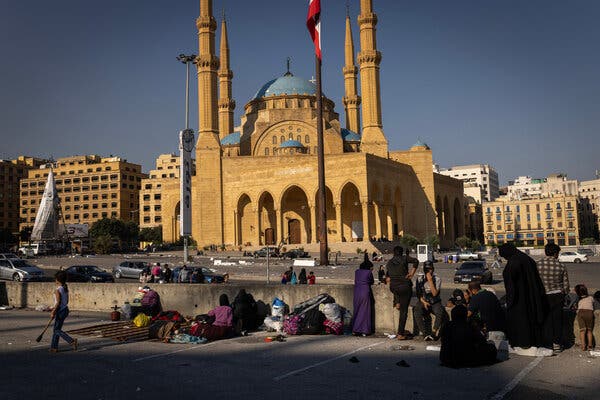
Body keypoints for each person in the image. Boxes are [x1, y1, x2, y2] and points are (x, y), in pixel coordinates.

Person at [500, 242, 550, 352]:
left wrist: (509, 301)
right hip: (533, 296)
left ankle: (523, 343)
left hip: (519, 300)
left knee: (522, 321)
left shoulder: (514, 262)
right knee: (532, 318)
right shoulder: (527, 259)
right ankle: (534, 341)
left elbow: (511, 285)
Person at [537, 243, 570, 353]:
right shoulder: (561, 266)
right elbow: (566, 285)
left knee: (544, 320)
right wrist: (564, 294)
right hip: (557, 296)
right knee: (557, 320)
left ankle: (545, 343)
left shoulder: (538, 265)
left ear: (546, 252)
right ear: (556, 253)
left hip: (542, 296)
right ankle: (556, 344)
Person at [385, 245, 418, 340]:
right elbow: (416, 261)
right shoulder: (404, 258)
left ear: (393, 253)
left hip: (394, 287)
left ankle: (397, 302)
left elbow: (388, 278)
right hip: (404, 287)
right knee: (404, 311)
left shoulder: (389, 262)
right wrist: (412, 273)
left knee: (397, 291)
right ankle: (400, 333)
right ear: (402, 252)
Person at [413, 261, 447, 340]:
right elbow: (419, 294)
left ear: (433, 269)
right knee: (417, 311)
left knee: (440, 312)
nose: (428, 271)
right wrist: (424, 302)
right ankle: (425, 333)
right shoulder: (420, 279)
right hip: (424, 300)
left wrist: (430, 281)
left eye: (430, 269)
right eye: (427, 269)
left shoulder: (437, 279)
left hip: (435, 301)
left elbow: (435, 293)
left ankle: (434, 332)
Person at [49, 271, 77, 353]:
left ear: (57, 280)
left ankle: (71, 341)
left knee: (56, 330)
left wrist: (53, 311)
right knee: (56, 329)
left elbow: (58, 302)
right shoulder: (65, 289)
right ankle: (54, 347)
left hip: (60, 311)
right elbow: (67, 301)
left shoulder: (57, 290)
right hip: (65, 310)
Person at [352, 253, 375, 336]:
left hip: (357, 291)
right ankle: (364, 330)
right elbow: (371, 281)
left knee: (357, 310)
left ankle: (355, 329)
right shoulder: (369, 273)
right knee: (365, 311)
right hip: (365, 291)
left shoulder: (357, 272)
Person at [575, 284, 595, 351]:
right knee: (589, 330)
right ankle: (590, 346)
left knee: (582, 330)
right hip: (589, 313)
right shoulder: (591, 298)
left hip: (580, 313)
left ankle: (583, 346)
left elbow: (576, 307)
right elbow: (593, 305)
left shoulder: (578, 300)